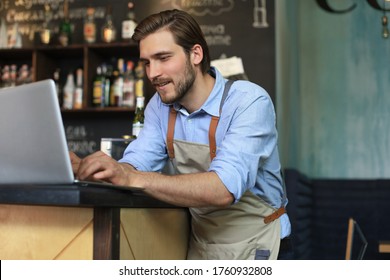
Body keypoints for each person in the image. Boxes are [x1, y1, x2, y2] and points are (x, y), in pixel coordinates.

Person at [70, 9, 291, 260]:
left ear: (195, 54)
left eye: (163, 58)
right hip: (201, 245)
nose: (152, 73)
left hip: (259, 245)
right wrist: (84, 170)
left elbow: (223, 189)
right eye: (146, 62)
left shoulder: (248, 101)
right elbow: (133, 165)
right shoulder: (159, 106)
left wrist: (131, 177)